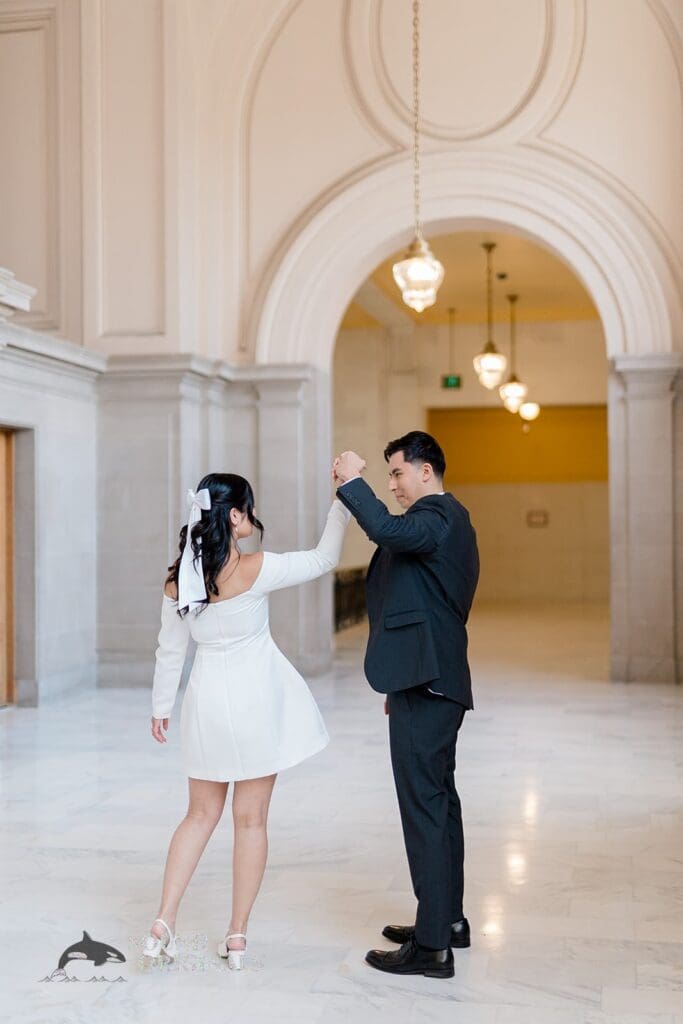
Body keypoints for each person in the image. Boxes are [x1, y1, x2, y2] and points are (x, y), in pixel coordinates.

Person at [143, 472, 350, 969]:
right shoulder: (257, 569)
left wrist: (160, 708)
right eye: (248, 510)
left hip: (206, 706)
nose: (253, 519)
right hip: (258, 704)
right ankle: (236, 937)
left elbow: (168, 650)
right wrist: (343, 502)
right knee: (250, 819)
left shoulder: (179, 581)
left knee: (198, 816)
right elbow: (324, 558)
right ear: (234, 517)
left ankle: (162, 923)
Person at [334, 431, 479, 980]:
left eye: (397, 473)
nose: (392, 484)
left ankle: (432, 948)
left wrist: (353, 480)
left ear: (426, 472)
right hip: (425, 679)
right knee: (439, 803)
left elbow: (387, 530)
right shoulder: (440, 521)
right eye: (387, 475)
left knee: (425, 807)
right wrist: (400, 683)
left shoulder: (438, 514)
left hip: (431, 681)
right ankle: (447, 923)